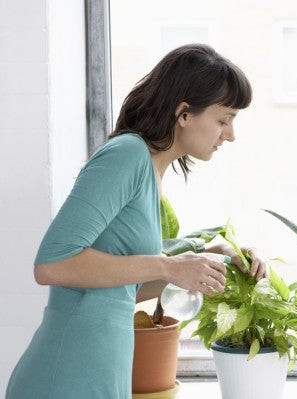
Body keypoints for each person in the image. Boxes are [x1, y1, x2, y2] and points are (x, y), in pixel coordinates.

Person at [5, 44, 267, 398]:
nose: (230, 134)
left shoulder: (150, 173)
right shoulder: (127, 155)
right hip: (65, 375)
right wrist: (168, 266)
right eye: (224, 119)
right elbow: (52, 264)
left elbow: (121, 288)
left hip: (100, 372)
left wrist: (218, 259)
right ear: (184, 113)